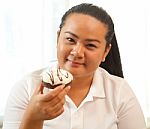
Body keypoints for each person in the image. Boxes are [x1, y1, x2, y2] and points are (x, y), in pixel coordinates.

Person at [2, 3, 146, 129]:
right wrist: (33, 118)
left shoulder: (120, 92)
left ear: (105, 51)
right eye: (70, 39)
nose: (77, 52)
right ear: (58, 38)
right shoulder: (26, 88)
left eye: (90, 45)